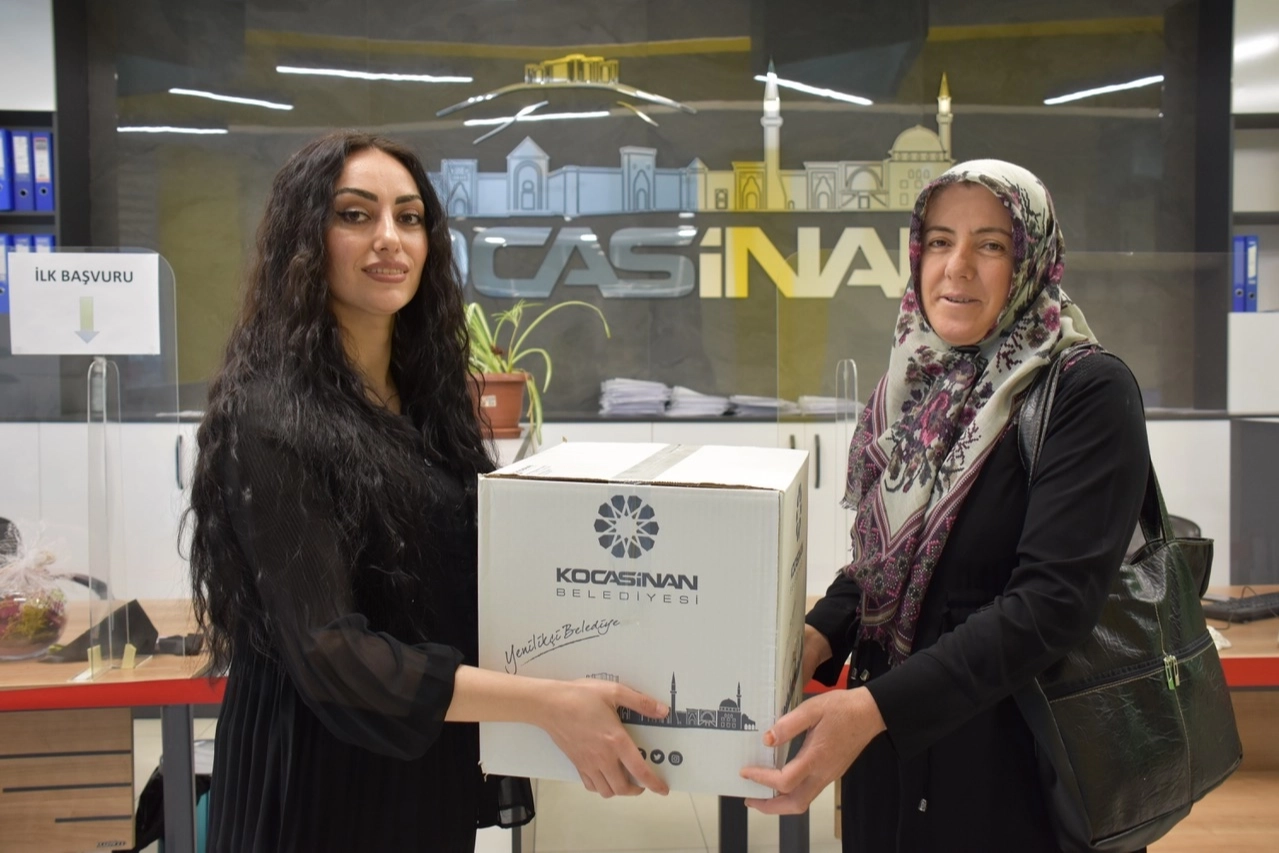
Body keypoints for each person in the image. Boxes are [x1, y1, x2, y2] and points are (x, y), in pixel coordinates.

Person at [187, 131, 669, 853]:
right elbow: (331, 654)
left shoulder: (428, 398)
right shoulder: (270, 415)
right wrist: (546, 703)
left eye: (409, 217)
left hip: (419, 759)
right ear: (304, 238)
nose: (389, 238)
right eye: (355, 214)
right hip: (316, 778)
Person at [741, 160, 1151, 852]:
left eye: (991, 244)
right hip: (887, 761)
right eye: (939, 241)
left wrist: (875, 708)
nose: (956, 266)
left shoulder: (1087, 392)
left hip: (1009, 779)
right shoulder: (914, 386)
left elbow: (1050, 606)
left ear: (1032, 260)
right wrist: (816, 635)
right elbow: (887, 563)